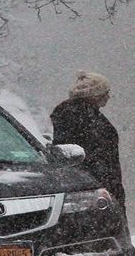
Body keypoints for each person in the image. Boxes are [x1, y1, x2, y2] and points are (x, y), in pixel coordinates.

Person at [51, 71, 126, 208]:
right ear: (94, 94)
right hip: (94, 188)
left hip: (97, 184)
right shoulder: (80, 116)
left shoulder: (82, 114)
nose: (108, 97)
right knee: (106, 225)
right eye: (105, 92)